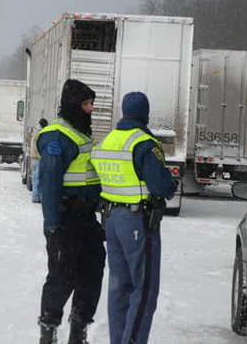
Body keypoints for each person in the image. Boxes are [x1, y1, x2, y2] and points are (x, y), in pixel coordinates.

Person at [90, 92, 176, 344]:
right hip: (138, 222)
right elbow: (161, 186)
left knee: (119, 287)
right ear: (145, 114)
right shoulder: (144, 143)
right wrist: (170, 182)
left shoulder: (108, 140)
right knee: (144, 290)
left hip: (112, 220)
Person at [36, 79, 106, 344]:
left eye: (91, 103)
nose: (90, 109)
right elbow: (50, 184)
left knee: (92, 271)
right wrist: (53, 225)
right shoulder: (57, 137)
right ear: (73, 105)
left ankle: (79, 331)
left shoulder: (80, 133)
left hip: (86, 219)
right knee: (61, 277)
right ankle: (49, 332)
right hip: (65, 219)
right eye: (86, 104)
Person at [30, 118, 49, 203]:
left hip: (34, 158)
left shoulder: (35, 131)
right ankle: (38, 197)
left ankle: (35, 196)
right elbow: (38, 146)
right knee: (39, 178)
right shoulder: (40, 133)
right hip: (38, 158)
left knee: (35, 178)